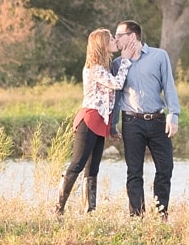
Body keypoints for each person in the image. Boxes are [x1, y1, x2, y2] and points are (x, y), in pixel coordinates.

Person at [112, 19, 179, 216]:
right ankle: (137, 217)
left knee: (165, 168)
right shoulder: (118, 64)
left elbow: (169, 86)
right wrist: (112, 123)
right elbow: (116, 96)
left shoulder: (159, 56)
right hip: (132, 122)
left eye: (119, 35)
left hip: (158, 120)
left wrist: (173, 115)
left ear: (132, 36)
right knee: (134, 171)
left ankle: (161, 213)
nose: (115, 39)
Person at [57, 28, 125, 215]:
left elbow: (111, 101)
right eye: (111, 38)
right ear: (102, 44)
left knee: (93, 168)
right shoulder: (94, 68)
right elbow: (117, 84)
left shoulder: (104, 68)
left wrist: (111, 127)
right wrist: (126, 60)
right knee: (77, 164)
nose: (114, 40)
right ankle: (58, 209)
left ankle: (90, 211)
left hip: (101, 121)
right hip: (89, 120)